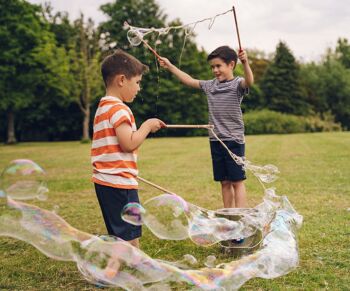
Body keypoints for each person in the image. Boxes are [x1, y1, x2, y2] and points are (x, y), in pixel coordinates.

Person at [158, 46, 254, 209]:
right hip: (215, 139)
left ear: (231, 65)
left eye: (218, 66)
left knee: (237, 181)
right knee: (224, 182)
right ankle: (229, 217)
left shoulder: (237, 84)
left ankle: (241, 218)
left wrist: (245, 63)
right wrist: (170, 66)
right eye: (212, 67)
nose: (215, 70)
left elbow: (249, 81)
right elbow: (188, 80)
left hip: (233, 140)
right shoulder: (210, 86)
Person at [91, 49, 165, 249]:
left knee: (124, 233)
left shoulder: (102, 107)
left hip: (105, 182)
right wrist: (147, 126)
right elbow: (129, 143)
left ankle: (135, 265)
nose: (139, 88)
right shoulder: (119, 109)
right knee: (128, 235)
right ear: (122, 80)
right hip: (119, 183)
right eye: (138, 82)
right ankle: (111, 270)